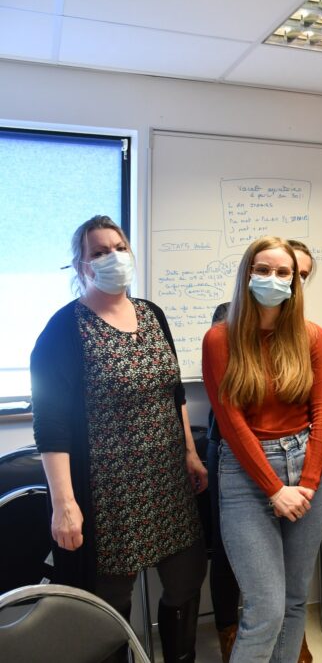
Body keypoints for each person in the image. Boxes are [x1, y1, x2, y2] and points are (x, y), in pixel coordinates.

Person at [31, 215, 207, 663]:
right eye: (98, 251)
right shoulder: (64, 329)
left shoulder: (153, 315)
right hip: (111, 494)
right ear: (81, 265)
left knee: (186, 581)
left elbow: (174, 393)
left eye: (118, 247)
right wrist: (64, 503)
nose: (112, 257)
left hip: (168, 484)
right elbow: (50, 424)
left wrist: (190, 452)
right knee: (110, 603)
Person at [202, 236, 322, 663]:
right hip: (247, 474)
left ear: (296, 282)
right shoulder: (220, 339)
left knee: (296, 600)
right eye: (263, 270)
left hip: (307, 468)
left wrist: (308, 483)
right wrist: (276, 488)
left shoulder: (311, 337)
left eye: (284, 273)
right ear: (246, 275)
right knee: (266, 608)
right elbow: (231, 422)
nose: (273, 279)